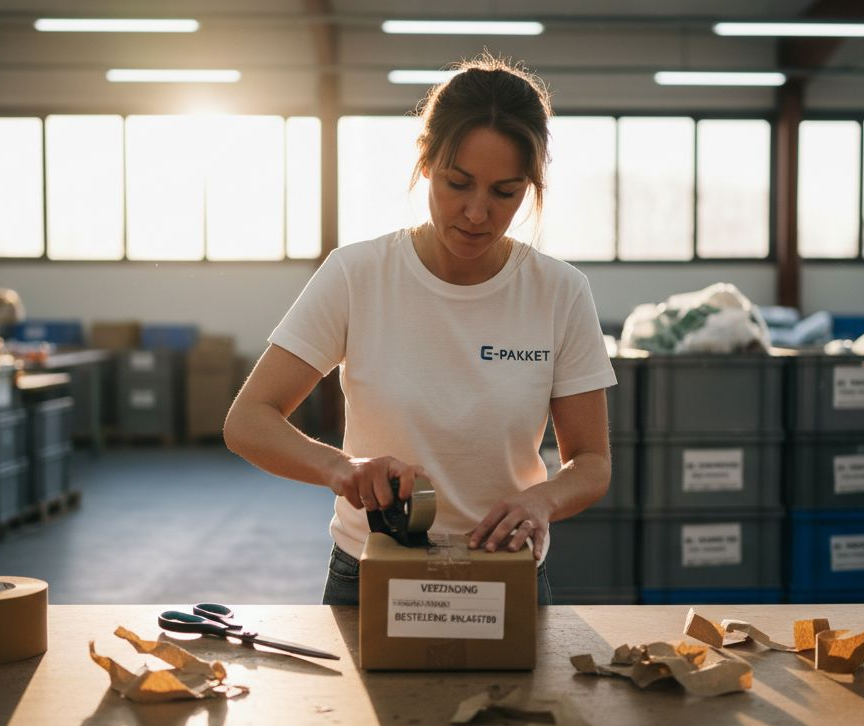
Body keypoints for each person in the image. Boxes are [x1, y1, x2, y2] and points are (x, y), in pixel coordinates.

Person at [223, 55, 615, 606]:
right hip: (373, 574)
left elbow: (591, 462)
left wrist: (543, 501)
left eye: (505, 192)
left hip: (504, 575)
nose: (477, 212)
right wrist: (342, 468)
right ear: (426, 163)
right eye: (459, 183)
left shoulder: (559, 291)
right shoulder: (357, 275)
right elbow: (248, 421)